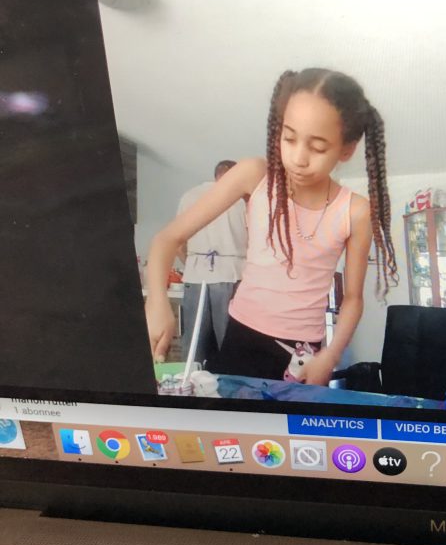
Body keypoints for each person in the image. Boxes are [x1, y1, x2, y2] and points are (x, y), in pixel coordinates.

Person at [146, 69, 398, 387]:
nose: (299, 158)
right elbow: (167, 239)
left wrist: (331, 355)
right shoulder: (254, 176)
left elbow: (353, 300)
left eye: (318, 147)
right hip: (240, 339)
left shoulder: (355, 211)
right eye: (289, 138)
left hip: (304, 355)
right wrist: (156, 301)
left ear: (346, 149)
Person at [176, 159, 247, 366]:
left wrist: (192, 263)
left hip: (195, 275)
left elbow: (178, 243)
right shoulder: (241, 199)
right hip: (230, 274)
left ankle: (190, 380)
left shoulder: (190, 196)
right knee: (228, 339)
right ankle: (230, 379)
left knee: (193, 341)